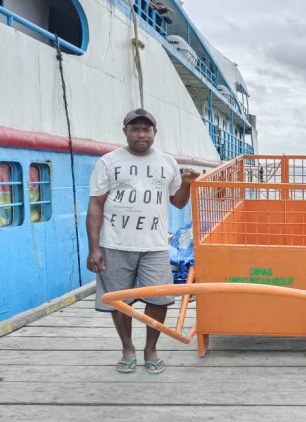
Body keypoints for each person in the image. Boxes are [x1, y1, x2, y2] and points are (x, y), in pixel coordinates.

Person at [86, 108, 199, 375]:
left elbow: (178, 201)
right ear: (125, 131)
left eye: (145, 129)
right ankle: (127, 348)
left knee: (158, 300)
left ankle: (151, 349)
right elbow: (95, 205)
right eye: (134, 129)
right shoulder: (108, 162)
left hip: (156, 246)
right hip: (115, 244)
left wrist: (186, 184)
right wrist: (94, 248)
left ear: (154, 132)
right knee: (118, 301)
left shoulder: (168, 162)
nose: (140, 134)